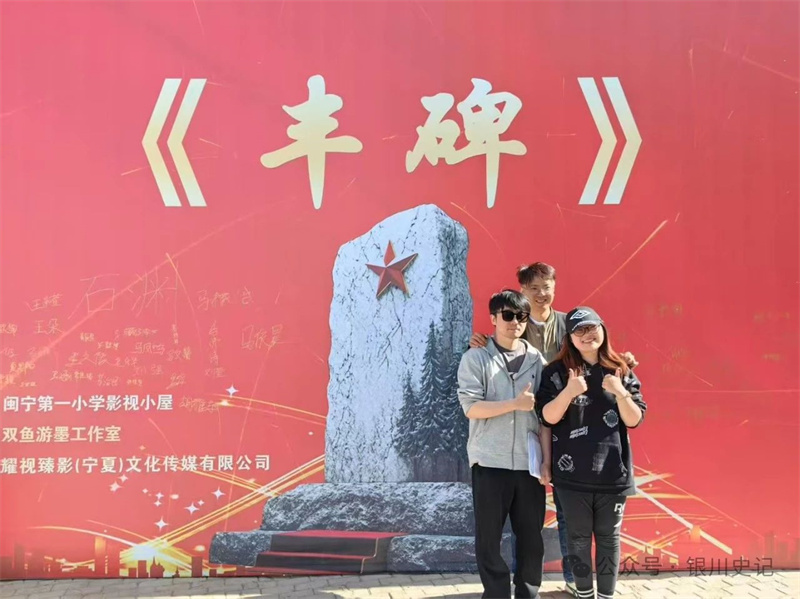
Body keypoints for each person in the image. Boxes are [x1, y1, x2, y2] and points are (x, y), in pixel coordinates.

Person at [470, 262, 636, 597]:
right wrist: (479, 344)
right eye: (533, 288)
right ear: (521, 292)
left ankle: (574, 580)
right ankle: (515, 585)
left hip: (573, 430)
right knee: (521, 519)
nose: (541, 294)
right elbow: (493, 359)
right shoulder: (513, 324)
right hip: (528, 430)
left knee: (567, 513)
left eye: (546, 287)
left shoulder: (569, 323)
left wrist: (622, 361)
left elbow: (597, 351)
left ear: (555, 287)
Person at [537, 307, 647, 599]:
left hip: (613, 473)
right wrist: (569, 392)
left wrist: (619, 390)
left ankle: (606, 596)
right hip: (571, 476)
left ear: (603, 329)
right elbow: (547, 417)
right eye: (579, 330)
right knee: (578, 539)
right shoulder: (555, 373)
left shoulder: (621, 369)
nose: (587, 335)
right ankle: (584, 594)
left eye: (592, 327)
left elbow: (634, 419)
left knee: (609, 539)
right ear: (570, 338)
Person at [457, 290, 547, 599]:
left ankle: (528, 593)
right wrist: (514, 404)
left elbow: (548, 412)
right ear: (493, 318)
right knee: (489, 539)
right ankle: (496, 594)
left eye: (521, 316)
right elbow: (471, 408)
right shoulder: (475, 358)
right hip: (489, 461)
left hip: (528, 464)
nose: (515, 322)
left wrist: (546, 460)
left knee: (532, 538)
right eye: (507, 315)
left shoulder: (537, 360)